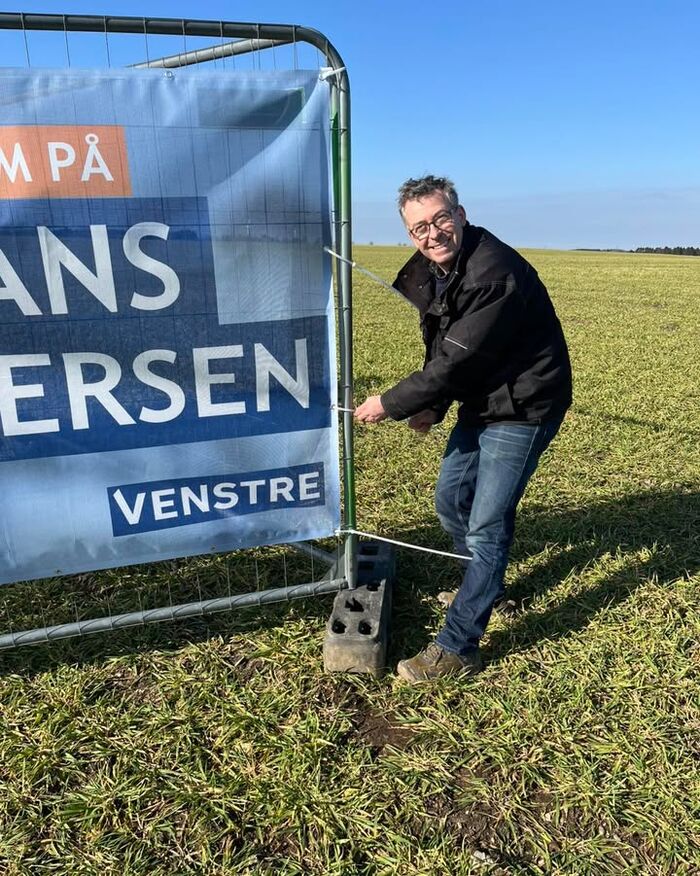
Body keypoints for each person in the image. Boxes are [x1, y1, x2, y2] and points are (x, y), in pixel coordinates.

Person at [354, 175, 572, 683]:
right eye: (419, 228)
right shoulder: (440, 269)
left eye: (440, 219)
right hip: (484, 396)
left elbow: (457, 359)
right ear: (409, 234)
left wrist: (390, 403)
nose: (432, 234)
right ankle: (484, 582)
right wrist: (434, 406)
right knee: (451, 501)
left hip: (524, 405)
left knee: (487, 524)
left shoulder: (493, 273)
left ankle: (458, 646)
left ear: (461, 215)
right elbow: (449, 349)